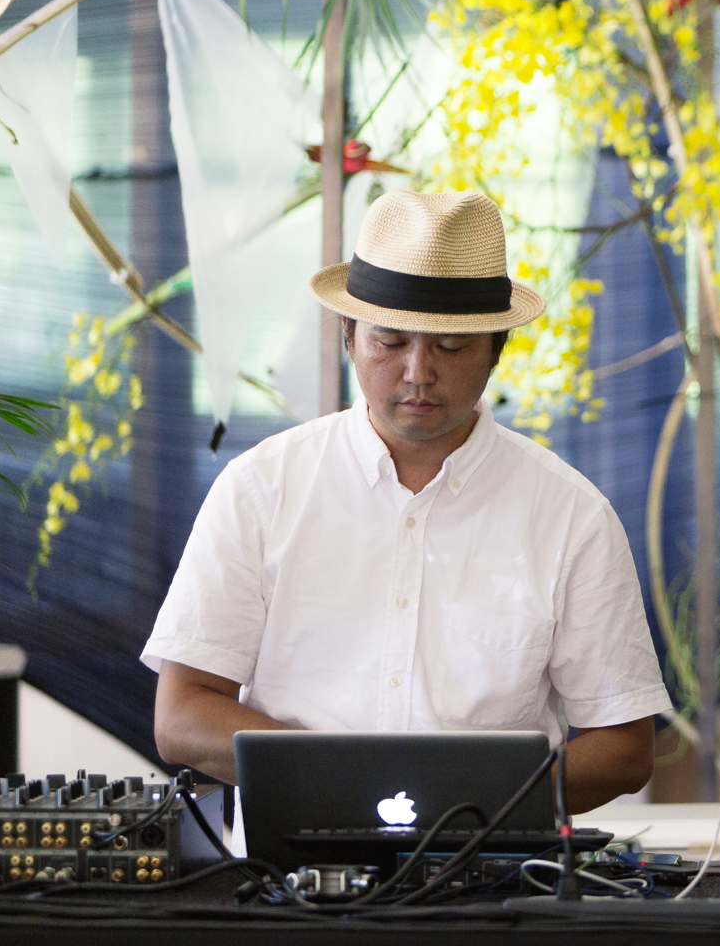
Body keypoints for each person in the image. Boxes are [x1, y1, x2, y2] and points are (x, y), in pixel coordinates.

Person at [142, 189, 671, 810]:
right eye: (390, 341)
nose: (418, 372)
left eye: (450, 347)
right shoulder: (261, 488)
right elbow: (181, 717)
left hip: (490, 861)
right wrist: (351, 783)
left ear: (496, 348)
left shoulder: (570, 516)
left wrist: (465, 805)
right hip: (293, 859)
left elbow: (624, 748)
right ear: (348, 335)